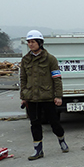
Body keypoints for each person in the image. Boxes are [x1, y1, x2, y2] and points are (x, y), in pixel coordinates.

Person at [19, 30, 69, 160]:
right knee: (35, 124)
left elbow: (57, 79)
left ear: (40, 43)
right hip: (32, 98)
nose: (30, 44)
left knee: (54, 123)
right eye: (29, 42)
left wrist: (58, 96)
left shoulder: (50, 59)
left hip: (47, 97)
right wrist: (23, 97)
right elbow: (23, 79)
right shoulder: (25, 60)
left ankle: (61, 140)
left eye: (33, 42)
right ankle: (38, 150)